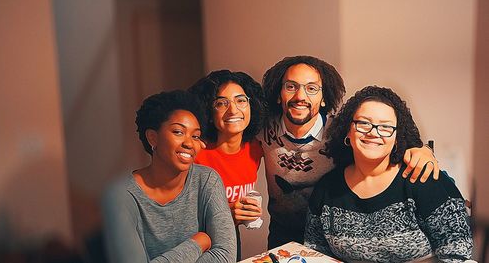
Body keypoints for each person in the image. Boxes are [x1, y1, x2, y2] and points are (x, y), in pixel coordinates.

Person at [259, 55, 440, 248]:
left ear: (323, 99)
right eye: (291, 86)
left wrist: (424, 150)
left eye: (311, 88)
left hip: (333, 234)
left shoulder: (341, 130)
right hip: (282, 230)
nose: (300, 97)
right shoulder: (261, 127)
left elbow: (390, 139)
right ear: (279, 94)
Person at [304, 86, 473, 262]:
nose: (373, 132)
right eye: (363, 123)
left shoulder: (421, 178)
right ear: (348, 130)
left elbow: (458, 253)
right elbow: (315, 253)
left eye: (385, 127)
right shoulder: (327, 188)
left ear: (396, 138)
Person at [102, 90, 236, 263]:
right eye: (178, 132)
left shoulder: (207, 180)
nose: (189, 143)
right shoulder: (121, 196)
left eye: (195, 136)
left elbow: (226, 256)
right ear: (152, 138)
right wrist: (199, 242)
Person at [188, 70, 265, 260]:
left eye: (241, 100)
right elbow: (178, 217)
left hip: (230, 238)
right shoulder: (196, 153)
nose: (233, 110)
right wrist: (225, 214)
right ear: (208, 111)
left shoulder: (256, 149)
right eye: (221, 103)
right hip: (197, 245)